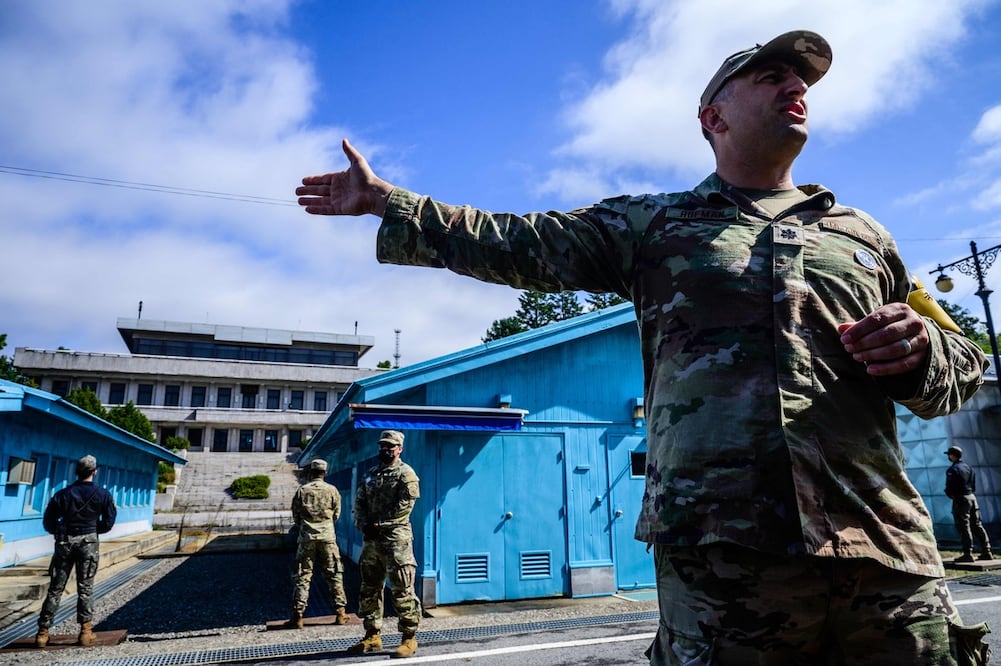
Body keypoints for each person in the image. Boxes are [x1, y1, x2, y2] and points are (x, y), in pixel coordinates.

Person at [296, 30, 989, 664]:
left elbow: (963, 361)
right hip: (723, 556)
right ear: (712, 118)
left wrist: (924, 346)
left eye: (801, 81)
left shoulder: (865, 235)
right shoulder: (653, 224)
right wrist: (392, 202)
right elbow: (515, 238)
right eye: (770, 76)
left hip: (885, 547)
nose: (796, 88)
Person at [347, 430, 422, 658]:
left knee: (402, 590)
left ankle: (409, 638)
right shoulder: (371, 474)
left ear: (400, 449)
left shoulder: (406, 474)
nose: (386, 450)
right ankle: (372, 636)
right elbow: (358, 502)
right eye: (383, 446)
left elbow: (404, 509)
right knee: (369, 589)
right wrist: (363, 524)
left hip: (395, 541)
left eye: (391, 446)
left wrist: (379, 524)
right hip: (372, 542)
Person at [35, 455, 117, 648]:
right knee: (85, 588)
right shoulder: (102, 494)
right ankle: (85, 632)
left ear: (76, 472)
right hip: (88, 541)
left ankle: (42, 633)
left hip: (65, 542)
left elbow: (48, 520)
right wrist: (94, 529)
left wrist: (59, 531)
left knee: (55, 588)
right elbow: (109, 520)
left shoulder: (62, 494)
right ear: (95, 472)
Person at [284, 457, 348, 629]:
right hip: (327, 537)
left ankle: (298, 615)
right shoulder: (332, 490)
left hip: (306, 538)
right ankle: (340, 612)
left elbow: (296, 516)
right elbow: (336, 515)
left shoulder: (302, 490)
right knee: (334, 573)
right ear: (325, 473)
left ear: (311, 472)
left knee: (303, 575)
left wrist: (306, 527)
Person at [945, 445, 993, 563]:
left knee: (963, 526)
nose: (949, 457)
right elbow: (973, 484)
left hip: (961, 499)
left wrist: (952, 495)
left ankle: (968, 553)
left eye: (949, 455)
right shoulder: (968, 467)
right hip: (972, 497)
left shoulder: (952, 470)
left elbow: (950, 488)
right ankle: (987, 551)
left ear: (953, 455)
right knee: (977, 524)